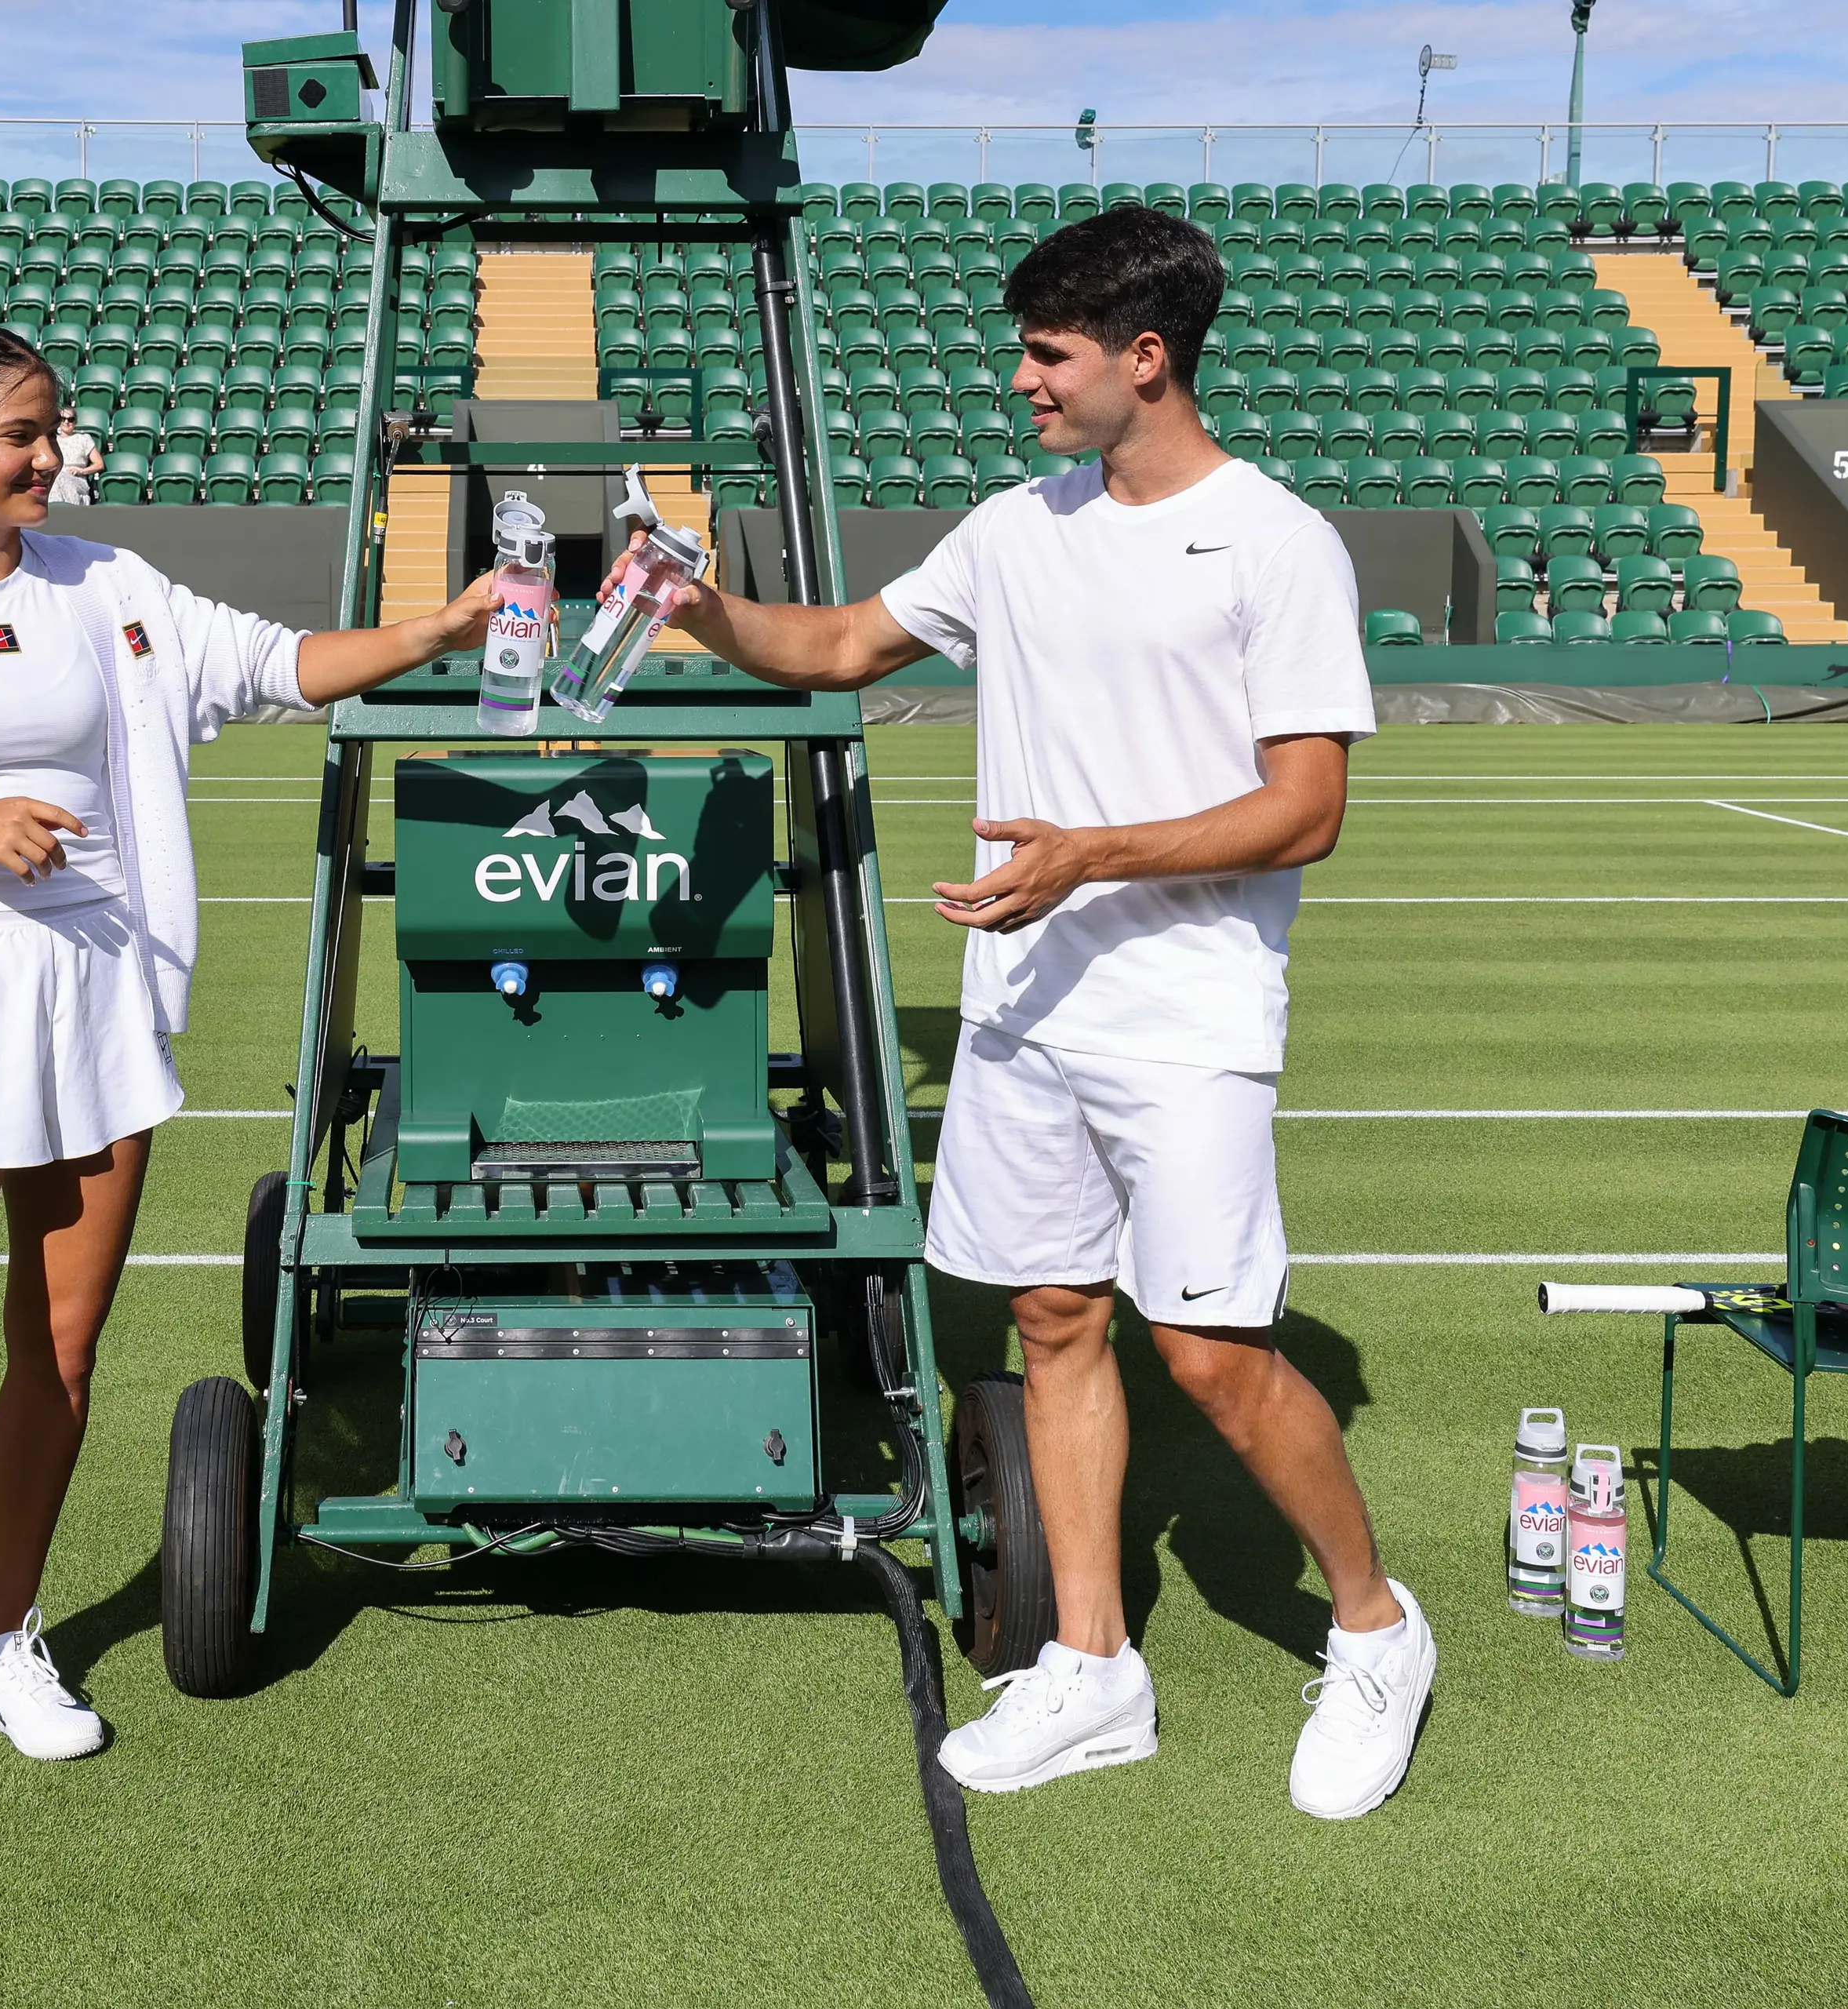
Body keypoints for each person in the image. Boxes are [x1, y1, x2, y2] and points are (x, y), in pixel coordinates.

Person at [666, 206, 1431, 1821]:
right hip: (1026, 1003)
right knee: (1052, 1318)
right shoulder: (1017, 526)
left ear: (1145, 358)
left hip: (1188, 1007)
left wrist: (1095, 855)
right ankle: (1095, 1667)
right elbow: (842, 646)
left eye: (1048, 353)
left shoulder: (1278, 540)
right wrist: (698, 608)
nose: (1022, 382)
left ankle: (1375, 1625)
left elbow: (1304, 809)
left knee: (1212, 1351)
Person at [0, 320, 496, 1900]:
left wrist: (455, 618)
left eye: (53, 424)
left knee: (61, 1357)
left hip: (94, 1023)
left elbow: (287, 666)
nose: (48, 450)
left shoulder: (111, 585)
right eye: (17, 429)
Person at [53, 416, 102, 506]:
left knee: (60, 480)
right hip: (57, 478)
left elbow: (99, 464)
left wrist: (81, 471)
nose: (67, 422)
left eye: (70, 419)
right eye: (63, 419)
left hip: (77, 479)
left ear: (75, 422)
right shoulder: (53, 440)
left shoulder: (84, 439)